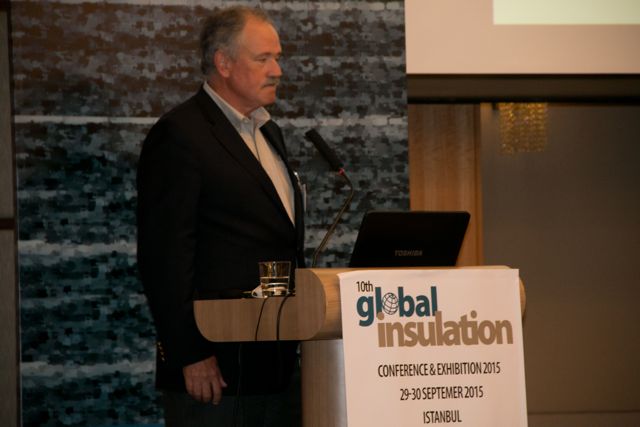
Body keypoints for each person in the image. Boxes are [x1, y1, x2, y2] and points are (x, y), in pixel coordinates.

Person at [136, 6, 305, 426]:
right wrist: (190, 354)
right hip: (216, 373)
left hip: (277, 369)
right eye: (263, 58)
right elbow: (164, 257)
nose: (277, 70)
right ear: (224, 63)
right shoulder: (180, 134)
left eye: (278, 58)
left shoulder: (269, 132)